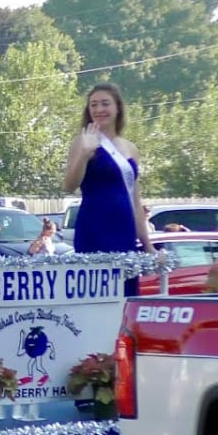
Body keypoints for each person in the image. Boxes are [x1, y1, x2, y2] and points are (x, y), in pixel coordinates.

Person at [63, 83, 153, 295]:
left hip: (124, 229)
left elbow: (135, 199)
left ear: (118, 108)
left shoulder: (130, 148)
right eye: (93, 105)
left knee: (125, 292)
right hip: (94, 226)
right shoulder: (82, 142)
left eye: (105, 104)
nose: (99, 109)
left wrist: (147, 243)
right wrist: (85, 154)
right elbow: (68, 186)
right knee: (96, 291)